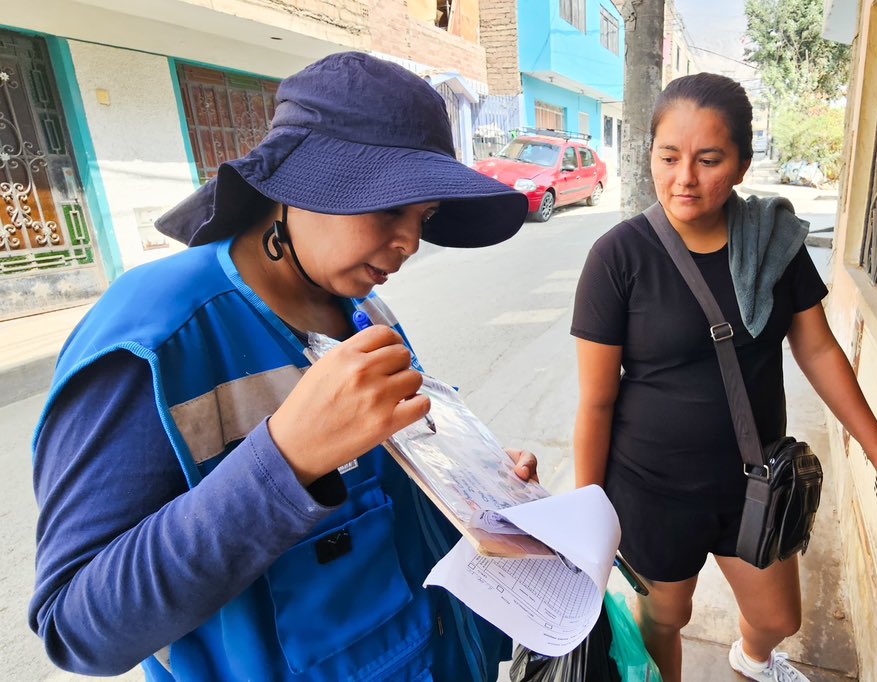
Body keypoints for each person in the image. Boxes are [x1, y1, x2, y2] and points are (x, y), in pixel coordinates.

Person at [30, 52, 539, 681]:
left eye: (424, 218)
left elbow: (389, 489)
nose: (410, 243)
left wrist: (479, 487)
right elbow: (77, 627)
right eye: (390, 209)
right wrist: (285, 460)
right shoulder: (156, 337)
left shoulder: (360, 309)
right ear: (301, 187)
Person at [570, 73, 877, 682]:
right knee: (666, 618)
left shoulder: (775, 247)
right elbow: (596, 402)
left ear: (741, 164)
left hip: (753, 480)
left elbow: (817, 350)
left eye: (708, 160)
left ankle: (752, 659)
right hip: (651, 487)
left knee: (779, 615)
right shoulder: (618, 257)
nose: (684, 178)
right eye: (668, 156)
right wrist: (587, 508)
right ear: (648, 153)